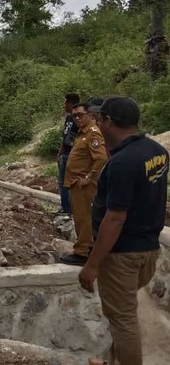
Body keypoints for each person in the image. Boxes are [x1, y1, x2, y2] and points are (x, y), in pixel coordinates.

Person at [80, 96, 168, 365]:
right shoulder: (156, 152)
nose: (96, 123)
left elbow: (115, 217)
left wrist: (92, 264)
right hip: (148, 249)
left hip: (121, 255)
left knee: (123, 320)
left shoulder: (122, 163)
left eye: (99, 118)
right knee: (123, 315)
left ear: (108, 121)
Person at [61, 102, 108, 266]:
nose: (77, 118)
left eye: (80, 114)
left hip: (84, 185)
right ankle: (85, 248)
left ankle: (83, 252)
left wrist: (89, 177)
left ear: (90, 115)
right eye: (74, 116)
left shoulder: (93, 134)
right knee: (81, 218)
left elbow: (101, 158)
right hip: (76, 183)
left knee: (84, 218)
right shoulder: (82, 133)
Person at [57, 92, 80, 215]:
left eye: (65, 102)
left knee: (66, 182)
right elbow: (65, 136)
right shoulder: (68, 118)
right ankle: (65, 206)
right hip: (65, 153)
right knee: (62, 182)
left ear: (71, 103)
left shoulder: (78, 119)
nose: (64, 105)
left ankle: (67, 209)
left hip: (72, 154)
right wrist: (60, 152)